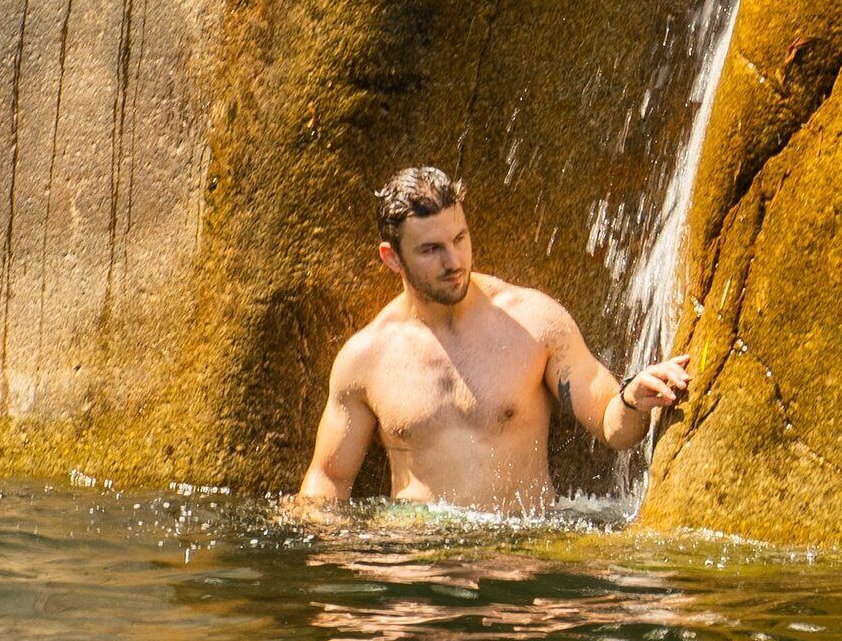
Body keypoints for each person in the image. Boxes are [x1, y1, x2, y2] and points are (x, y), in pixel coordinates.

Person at [295, 166, 693, 514]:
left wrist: (633, 398)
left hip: (519, 565)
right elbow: (329, 480)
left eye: (460, 238)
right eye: (431, 250)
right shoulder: (365, 359)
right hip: (416, 571)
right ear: (392, 258)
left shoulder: (534, 324)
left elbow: (612, 425)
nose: (454, 262)